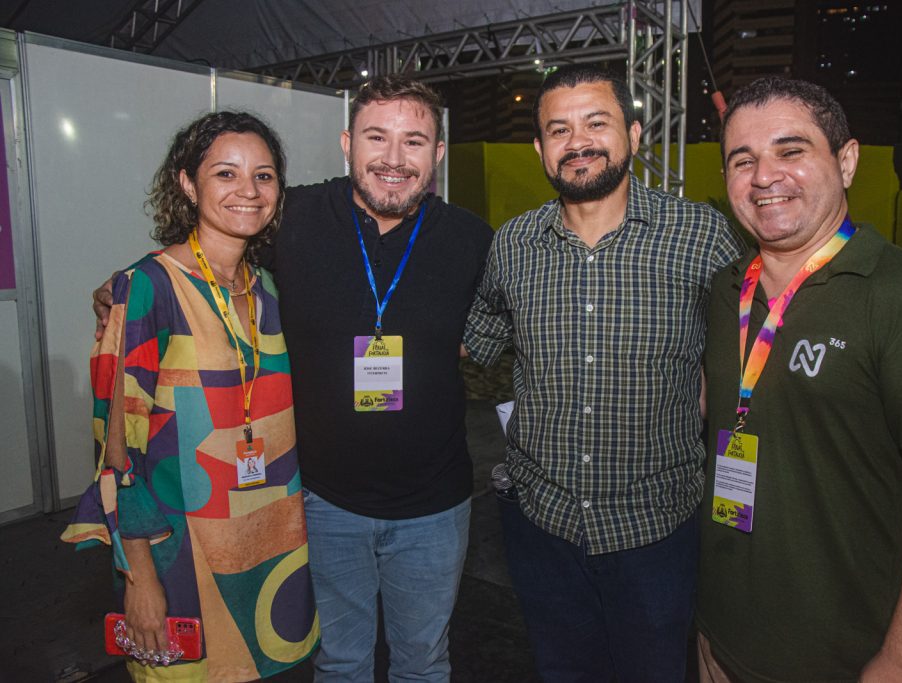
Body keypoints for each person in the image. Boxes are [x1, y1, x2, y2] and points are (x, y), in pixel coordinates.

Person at [94, 76, 493, 681]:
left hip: (436, 509)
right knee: (340, 662)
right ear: (346, 143)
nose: (392, 158)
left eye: (414, 141)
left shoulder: (471, 239)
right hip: (322, 503)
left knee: (425, 662)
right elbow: (206, 251)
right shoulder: (292, 216)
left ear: (438, 153)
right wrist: (119, 292)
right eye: (375, 137)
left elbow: (499, 328)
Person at [697, 77, 902, 682]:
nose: (764, 175)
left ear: (847, 160)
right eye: (742, 159)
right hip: (722, 638)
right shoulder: (726, 289)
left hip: (844, 657)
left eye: (791, 150)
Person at [463, 64, 745, 681]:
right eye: (558, 129)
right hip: (543, 528)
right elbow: (476, 339)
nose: (578, 141)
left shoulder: (699, 235)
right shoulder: (513, 245)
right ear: (539, 148)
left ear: (635, 134)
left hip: (657, 532)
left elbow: (742, 359)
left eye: (597, 122)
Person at [63, 111, 319, 681]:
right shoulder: (148, 288)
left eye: (265, 176)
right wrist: (141, 578)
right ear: (187, 183)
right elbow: (116, 456)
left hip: (273, 548)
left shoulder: (268, 288)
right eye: (225, 174)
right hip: (184, 559)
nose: (248, 191)